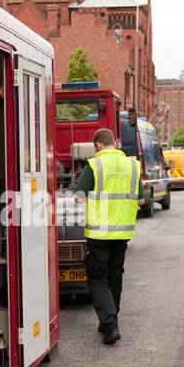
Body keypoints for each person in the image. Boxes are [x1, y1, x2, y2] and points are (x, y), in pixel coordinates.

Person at [75, 128, 144, 344]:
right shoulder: (132, 165)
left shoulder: (94, 165)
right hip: (122, 233)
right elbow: (141, 199)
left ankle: (110, 325)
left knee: (97, 278)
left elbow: (78, 197)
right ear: (114, 143)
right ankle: (109, 319)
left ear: (97, 145)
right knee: (115, 277)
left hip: (99, 234)